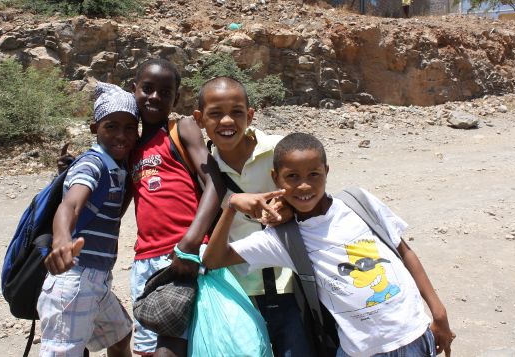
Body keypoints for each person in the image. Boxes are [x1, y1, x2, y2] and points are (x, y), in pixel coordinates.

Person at [203, 132, 456, 357]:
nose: (304, 185)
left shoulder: (358, 202)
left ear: (327, 171)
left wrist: (438, 312)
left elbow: (403, 252)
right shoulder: (283, 238)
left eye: (314, 174)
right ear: (275, 178)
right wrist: (232, 205)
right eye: (292, 176)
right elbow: (214, 260)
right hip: (361, 350)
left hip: (415, 335)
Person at [192, 77, 312, 356]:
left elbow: (314, 197)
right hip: (238, 291)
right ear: (199, 119)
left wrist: (291, 209)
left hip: (291, 284)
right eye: (214, 113)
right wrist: (232, 203)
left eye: (236, 112)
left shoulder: (279, 150)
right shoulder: (204, 171)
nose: (226, 121)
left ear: (250, 114)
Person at [129, 59, 225, 356]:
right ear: (134, 90)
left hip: (183, 254)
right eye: (147, 89)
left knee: (174, 345)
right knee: (146, 347)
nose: (155, 96)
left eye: (165, 91)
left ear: (176, 98)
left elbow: (216, 184)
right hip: (144, 261)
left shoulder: (180, 128)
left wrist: (191, 242)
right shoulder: (131, 146)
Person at [38, 82, 139, 357]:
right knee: (64, 351)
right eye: (111, 126)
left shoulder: (116, 166)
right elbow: (70, 205)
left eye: (130, 128)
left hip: (97, 279)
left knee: (120, 335)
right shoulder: (92, 164)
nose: (122, 135)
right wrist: (62, 241)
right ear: (95, 129)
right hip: (74, 279)